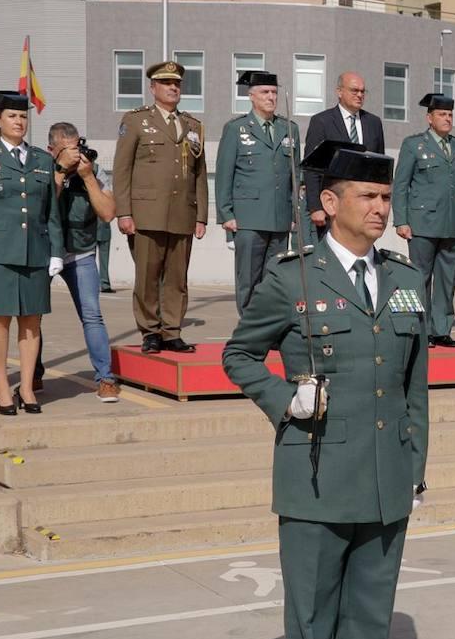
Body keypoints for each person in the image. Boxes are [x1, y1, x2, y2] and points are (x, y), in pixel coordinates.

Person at [222, 141, 429, 639]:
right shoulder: (292, 278)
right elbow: (239, 354)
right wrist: (286, 401)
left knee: (370, 619)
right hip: (313, 478)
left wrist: (413, 464)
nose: (379, 207)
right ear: (328, 205)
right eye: (367, 197)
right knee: (312, 622)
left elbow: (414, 384)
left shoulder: (404, 278)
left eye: (384, 196)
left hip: (383, 477)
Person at [113, 60, 208, 354]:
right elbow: (122, 170)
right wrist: (124, 212)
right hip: (146, 213)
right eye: (166, 83)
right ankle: (150, 331)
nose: (173, 88)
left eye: (177, 83)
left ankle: (171, 331)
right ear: (153, 87)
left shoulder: (193, 125)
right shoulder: (135, 120)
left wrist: (201, 215)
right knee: (148, 276)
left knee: (177, 278)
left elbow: (200, 174)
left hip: (183, 212)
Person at [0, 91, 62, 415]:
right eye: (12, 117)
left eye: (23, 117)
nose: (19, 122)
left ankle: (28, 387)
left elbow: (52, 213)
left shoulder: (43, 161)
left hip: (36, 251)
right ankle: (3, 386)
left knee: (32, 323)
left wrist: (56, 252)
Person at [46, 122, 120, 403]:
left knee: (92, 315)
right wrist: (61, 172)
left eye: (77, 147)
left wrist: (87, 178)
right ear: (52, 150)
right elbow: (42, 207)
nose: (75, 155)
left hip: (81, 252)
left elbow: (108, 213)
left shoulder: (94, 169)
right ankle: (34, 374)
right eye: (67, 150)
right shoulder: (44, 166)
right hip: (46, 251)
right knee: (33, 318)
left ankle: (105, 378)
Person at [215, 71, 300, 316]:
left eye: (273, 92)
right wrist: (226, 213)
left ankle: (268, 327)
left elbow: (296, 176)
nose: (271, 97)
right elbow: (224, 174)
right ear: (251, 96)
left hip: (280, 217)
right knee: (248, 279)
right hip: (248, 218)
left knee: (274, 278)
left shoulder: (289, 128)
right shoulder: (236, 128)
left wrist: (294, 213)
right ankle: (249, 328)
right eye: (265, 92)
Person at [392, 93, 455, 347]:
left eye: (450, 115)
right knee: (419, 278)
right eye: (442, 115)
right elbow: (401, 185)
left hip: (452, 224)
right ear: (429, 118)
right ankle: (419, 329)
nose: (447, 119)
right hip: (422, 223)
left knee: (447, 281)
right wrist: (401, 220)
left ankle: (441, 329)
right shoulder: (414, 145)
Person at [305, 72, 385, 236]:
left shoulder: (373, 123)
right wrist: (315, 207)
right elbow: (311, 168)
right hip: (332, 207)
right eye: (354, 90)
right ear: (339, 92)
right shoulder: (322, 122)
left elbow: (379, 168)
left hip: (364, 207)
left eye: (363, 91)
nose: (360, 95)